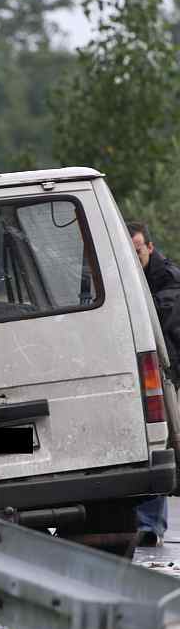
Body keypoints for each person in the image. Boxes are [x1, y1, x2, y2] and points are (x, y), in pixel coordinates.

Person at [128, 221, 180, 546]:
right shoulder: (114, 273)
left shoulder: (168, 281)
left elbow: (160, 324)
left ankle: (149, 523)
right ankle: (144, 522)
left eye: (138, 250)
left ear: (149, 247)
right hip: (142, 372)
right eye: (128, 252)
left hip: (167, 373)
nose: (134, 256)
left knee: (159, 443)